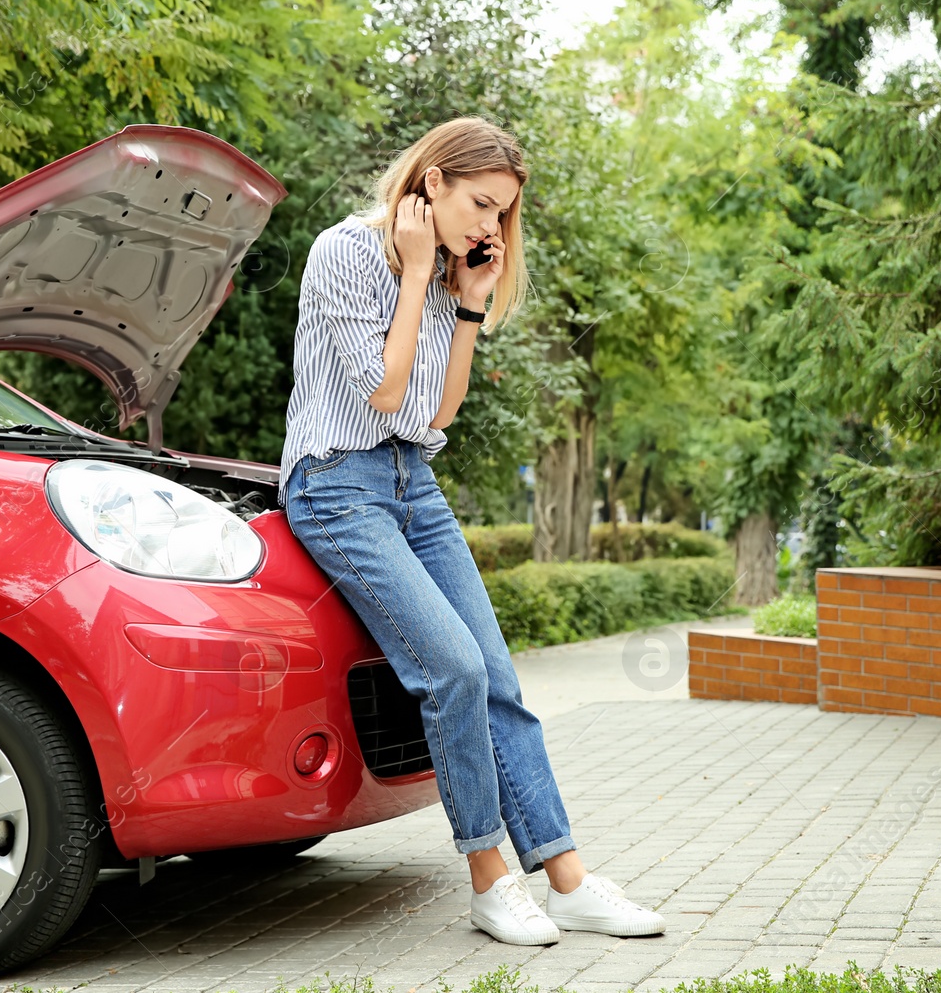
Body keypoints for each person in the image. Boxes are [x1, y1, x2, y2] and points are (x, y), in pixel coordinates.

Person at [278, 115, 665, 946]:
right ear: (431, 182)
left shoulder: (454, 272)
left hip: (411, 482)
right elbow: (383, 394)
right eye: (482, 205)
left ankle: (565, 877)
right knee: (449, 669)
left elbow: (437, 413)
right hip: (335, 487)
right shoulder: (344, 252)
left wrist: (471, 303)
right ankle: (491, 878)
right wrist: (419, 274)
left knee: (495, 675)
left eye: (503, 216)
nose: (491, 228)